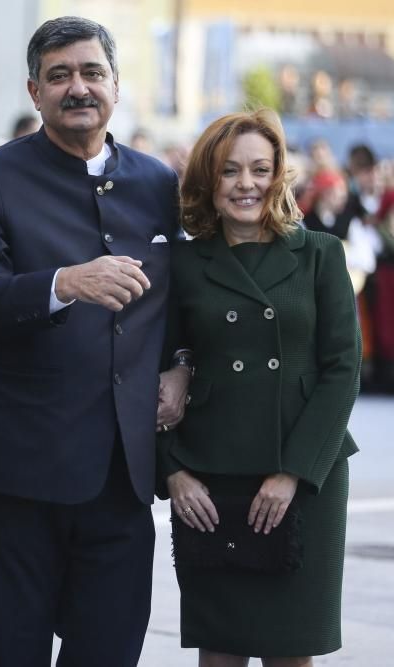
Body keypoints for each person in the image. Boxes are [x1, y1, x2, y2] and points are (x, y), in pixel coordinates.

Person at [0, 16, 184, 666]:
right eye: (59, 76)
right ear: (34, 91)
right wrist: (62, 283)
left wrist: (184, 363)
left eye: (90, 73)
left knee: (109, 652)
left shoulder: (160, 183)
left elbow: (185, 298)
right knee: (13, 653)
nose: (77, 88)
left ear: (114, 83)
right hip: (20, 471)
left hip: (123, 475)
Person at [159, 108, 360, 666]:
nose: (246, 184)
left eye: (259, 169)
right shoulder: (183, 262)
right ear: (209, 180)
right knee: (220, 653)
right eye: (230, 171)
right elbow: (148, 375)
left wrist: (291, 472)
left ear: (278, 176)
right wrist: (171, 471)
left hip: (304, 474)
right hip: (211, 480)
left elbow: (343, 370)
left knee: (290, 651)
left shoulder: (319, 253)